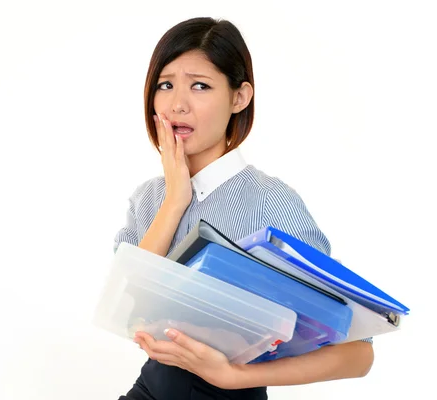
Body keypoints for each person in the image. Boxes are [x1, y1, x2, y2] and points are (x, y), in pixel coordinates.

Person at [113, 17, 374, 400]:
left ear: (240, 97)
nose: (177, 104)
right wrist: (173, 202)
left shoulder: (271, 202)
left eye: (200, 85)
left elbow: (358, 352)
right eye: (165, 85)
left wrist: (234, 376)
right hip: (149, 391)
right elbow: (126, 305)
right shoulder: (150, 198)